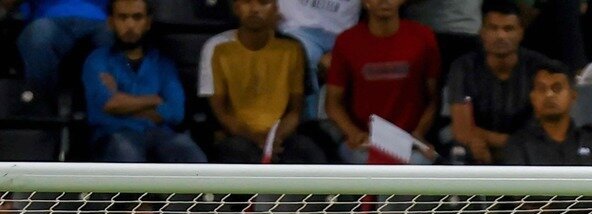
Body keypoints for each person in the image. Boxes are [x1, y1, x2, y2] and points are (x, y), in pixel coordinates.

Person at [81, 0, 207, 164]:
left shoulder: (163, 64)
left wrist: (123, 103)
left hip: (161, 134)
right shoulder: (97, 60)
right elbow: (107, 106)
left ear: (147, 22)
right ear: (111, 22)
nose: (130, 25)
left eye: (137, 17)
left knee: (189, 153)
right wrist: (153, 100)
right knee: (125, 151)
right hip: (113, 134)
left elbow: (176, 112)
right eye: (123, 17)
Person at [210, 0, 326, 164]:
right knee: (236, 152)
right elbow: (222, 112)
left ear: (276, 9)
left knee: (308, 151)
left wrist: (273, 139)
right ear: (236, 8)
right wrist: (257, 138)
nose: (254, 9)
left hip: (282, 135)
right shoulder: (221, 52)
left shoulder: (292, 50)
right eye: (247, 3)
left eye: (263, 3)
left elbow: (295, 111)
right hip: (238, 135)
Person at [326, 0, 440, 165]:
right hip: (365, 143)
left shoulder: (424, 38)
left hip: (410, 143)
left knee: (418, 164)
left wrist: (419, 132)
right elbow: (333, 102)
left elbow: (433, 99)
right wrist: (353, 133)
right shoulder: (346, 41)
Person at [443, 0, 552, 164]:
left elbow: (544, 132)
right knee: (459, 150)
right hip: (479, 151)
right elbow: (463, 131)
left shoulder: (540, 68)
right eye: (493, 28)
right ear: (482, 32)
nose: (501, 36)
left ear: (521, 32)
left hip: (528, 155)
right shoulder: (463, 67)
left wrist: (490, 140)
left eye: (508, 29)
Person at [500, 61, 592, 165]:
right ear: (533, 98)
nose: (549, 94)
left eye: (557, 88)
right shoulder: (518, 145)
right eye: (542, 89)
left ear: (573, 96)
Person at [13, 0, 109, 101]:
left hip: (100, 20)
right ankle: (41, 105)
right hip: (49, 18)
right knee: (39, 36)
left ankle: (111, 106)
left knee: (113, 38)